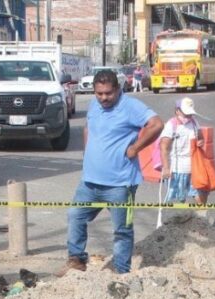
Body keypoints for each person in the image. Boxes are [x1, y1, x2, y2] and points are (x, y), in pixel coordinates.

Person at [58, 69, 163, 276]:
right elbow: (88, 127)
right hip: (90, 181)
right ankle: (76, 260)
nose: (103, 98)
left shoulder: (131, 106)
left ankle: (121, 271)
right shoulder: (94, 105)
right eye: (99, 94)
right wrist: (88, 153)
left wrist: (135, 149)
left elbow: (156, 125)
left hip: (120, 183)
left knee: (121, 230)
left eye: (108, 93)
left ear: (117, 89)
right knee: (75, 216)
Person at [157, 97, 206, 208]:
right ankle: (176, 220)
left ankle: (202, 220)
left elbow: (201, 137)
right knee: (178, 198)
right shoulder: (171, 125)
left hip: (193, 168)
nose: (188, 116)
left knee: (199, 194)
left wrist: (201, 142)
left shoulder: (194, 122)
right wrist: (165, 168)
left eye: (190, 114)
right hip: (176, 170)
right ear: (177, 111)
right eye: (186, 113)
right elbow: (163, 147)